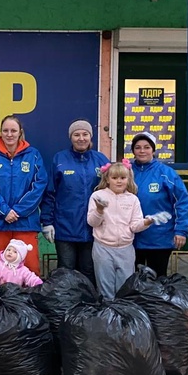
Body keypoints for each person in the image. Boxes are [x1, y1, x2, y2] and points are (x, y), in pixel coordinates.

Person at [87, 160, 171, 300]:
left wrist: (148, 221)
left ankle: (124, 315)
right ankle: (107, 316)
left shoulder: (133, 199)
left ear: (128, 179)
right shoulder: (98, 196)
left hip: (126, 249)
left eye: (122, 178)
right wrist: (99, 210)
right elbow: (92, 222)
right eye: (114, 178)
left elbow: (134, 226)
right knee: (105, 287)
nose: (119, 181)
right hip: (103, 248)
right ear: (107, 179)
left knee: (125, 287)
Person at [40, 119, 109, 284]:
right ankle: (66, 306)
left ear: (90, 137)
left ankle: (88, 306)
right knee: (66, 270)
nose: (81, 138)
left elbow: (112, 190)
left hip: (93, 228)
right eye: (76, 134)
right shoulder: (60, 159)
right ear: (71, 138)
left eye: (85, 134)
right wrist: (47, 222)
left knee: (88, 269)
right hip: (65, 227)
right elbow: (50, 193)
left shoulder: (100, 160)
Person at [0, 114, 48, 275]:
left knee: (29, 271)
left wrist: (17, 211)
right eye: (5, 130)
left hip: (25, 223)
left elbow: (39, 186)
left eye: (13, 130)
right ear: (0, 133)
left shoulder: (33, 155)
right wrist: (5, 211)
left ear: (20, 132)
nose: (9, 134)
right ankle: (0, 301)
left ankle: (27, 300)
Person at [131, 131, 188, 277]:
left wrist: (181, 230)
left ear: (153, 149)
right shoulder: (126, 172)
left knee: (157, 279)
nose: (142, 151)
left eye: (146, 147)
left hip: (159, 239)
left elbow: (182, 202)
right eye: (138, 147)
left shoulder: (167, 173)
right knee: (133, 279)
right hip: (131, 239)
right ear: (133, 150)